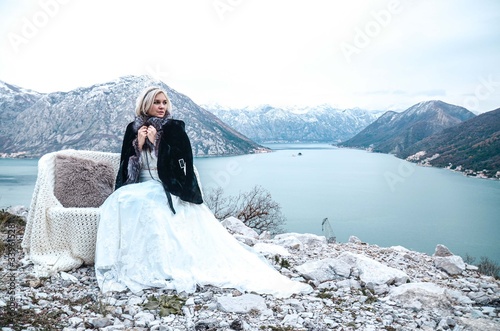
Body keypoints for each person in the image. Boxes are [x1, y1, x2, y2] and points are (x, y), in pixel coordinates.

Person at [94, 87, 312, 298]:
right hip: (139, 185)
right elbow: (127, 166)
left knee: (149, 205)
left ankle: (160, 265)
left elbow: (182, 162)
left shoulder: (173, 128)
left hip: (165, 186)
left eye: (164, 102)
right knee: (120, 200)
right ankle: (127, 261)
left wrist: (156, 142)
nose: (161, 106)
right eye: (156, 102)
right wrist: (138, 145)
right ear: (145, 104)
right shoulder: (133, 129)